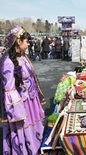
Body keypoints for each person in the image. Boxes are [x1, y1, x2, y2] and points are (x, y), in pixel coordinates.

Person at [0, 26, 45, 154]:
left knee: (34, 128)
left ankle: (35, 148)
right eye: (26, 41)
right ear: (18, 41)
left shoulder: (23, 56)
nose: (29, 43)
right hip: (21, 104)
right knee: (23, 130)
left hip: (31, 100)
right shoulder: (7, 62)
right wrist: (16, 110)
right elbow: (8, 89)